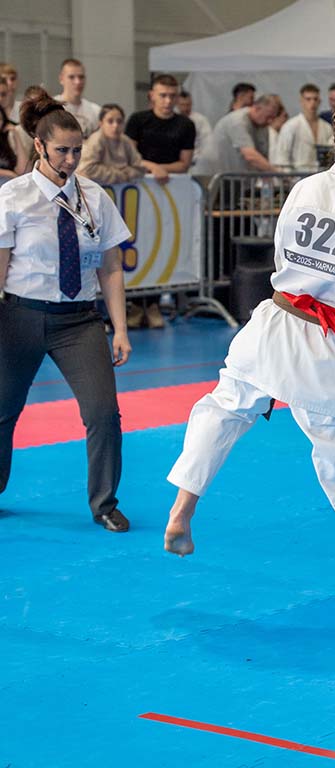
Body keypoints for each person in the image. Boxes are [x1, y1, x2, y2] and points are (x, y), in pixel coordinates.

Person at [162, 91, 335, 641]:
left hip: (272, 324)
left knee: (224, 407)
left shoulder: (305, 188)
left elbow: (285, 258)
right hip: (334, 351)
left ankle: (183, 502)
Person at [0, 94, 133, 532]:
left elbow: (111, 268)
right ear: (39, 146)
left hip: (79, 321)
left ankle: (105, 503)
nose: (71, 160)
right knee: (2, 411)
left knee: (103, 413)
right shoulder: (13, 197)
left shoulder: (95, 196)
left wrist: (120, 329)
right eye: (62, 150)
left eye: (77, 150)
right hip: (19, 318)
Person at [125, 74, 196, 185]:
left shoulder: (187, 124)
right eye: (163, 95)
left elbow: (184, 164)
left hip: (174, 181)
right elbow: (129, 157)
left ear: (177, 97)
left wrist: (159, 169)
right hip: (140, 180)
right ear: (152, 95)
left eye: (172, 96)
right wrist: (153, 167)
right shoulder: (137, 120)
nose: (168, 101)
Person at [193, 95, 280, 176]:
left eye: (273, 118)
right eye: (268, 117)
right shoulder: (237, 122)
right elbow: (250, 156)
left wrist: (268, 174)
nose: (270, 121)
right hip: (211, 175)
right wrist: (276, 173)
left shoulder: (262, 126)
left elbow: (262, 157)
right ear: (257, 108)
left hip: (233, 177)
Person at [78, 104, 147, 185]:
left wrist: (123, 174)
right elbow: (88, 168)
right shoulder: (95, 141)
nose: (115, 126)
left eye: (119, 121)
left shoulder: (126, 141)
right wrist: (121, 175)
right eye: (110, 121)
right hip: (96, 187)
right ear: (101, 123)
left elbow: (140, 168)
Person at [274, 84, 332, 171]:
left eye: (315, 99)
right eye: (308, 99)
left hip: (320, 174)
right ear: (301, 101)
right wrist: (288, 176)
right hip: (297, 174)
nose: (312, 103)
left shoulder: (327, 127)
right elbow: (282, 157)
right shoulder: (291, 126)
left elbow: (331, 153)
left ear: (319, 101)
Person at [55, 59, 101, 138]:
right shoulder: (53, 108)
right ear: (61, 79)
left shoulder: (96, 111)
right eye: (71, 77)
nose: (77, 82)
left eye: (81, 77)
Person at [0, 78, 28, 183]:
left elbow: (22, 170)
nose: (0, 99)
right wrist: (10, 174)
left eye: (3, 94)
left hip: (9, 184)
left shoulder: (10, 130)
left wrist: (16, 135)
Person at [177, 90, 212, 169]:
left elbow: (207, 142)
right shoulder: (172, 120)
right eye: (182, 105)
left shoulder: (201, 120)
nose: (185, 108)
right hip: (176, 162)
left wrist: (199, 159)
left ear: (191, 104)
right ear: (177, 104)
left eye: (188, 105)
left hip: (196, 163)